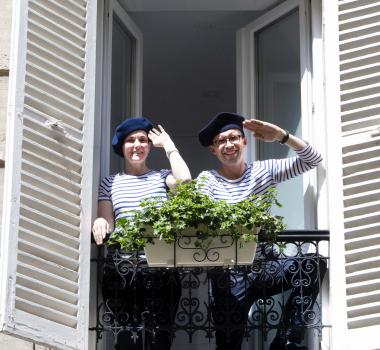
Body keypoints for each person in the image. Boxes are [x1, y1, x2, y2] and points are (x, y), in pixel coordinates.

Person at [197, 112, 327, 350]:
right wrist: (252, 222)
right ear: (214, 150)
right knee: (228, 345)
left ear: (244, 141)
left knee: (313, 265)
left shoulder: (263, 171)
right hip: (228, 273)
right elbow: (209, 224)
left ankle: (285, 339)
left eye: (234, 137)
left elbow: (313, 160)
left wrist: (282, 135)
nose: (228, 144)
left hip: (266, 263)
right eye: (221, 141)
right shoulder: (208, 180)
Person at [92, 117, 191, 350]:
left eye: (142, 140)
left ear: (149, 146)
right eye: (130, 140)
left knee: (160, 341)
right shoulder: (110, 182)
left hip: (160, 269)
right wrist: (98, 220)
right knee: (126, 341)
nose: (137, 145)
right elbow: (108, 222)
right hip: (122, 269)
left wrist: (169, 145)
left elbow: (186, 182)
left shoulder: (162, 177)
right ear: (121, 147)